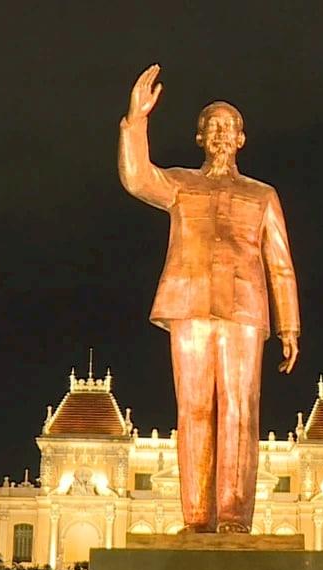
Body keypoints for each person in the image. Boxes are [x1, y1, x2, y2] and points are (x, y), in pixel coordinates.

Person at [118, 64, 301, 533]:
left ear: (241, 139)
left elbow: (280, 263)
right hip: (189, 304)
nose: (221, 133)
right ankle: (198, 518)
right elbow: (137, 178)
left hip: (245, 309)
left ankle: (235, 516)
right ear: (200, 138)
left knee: (241, 410)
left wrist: (289, 326)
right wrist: (136, 120)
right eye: (213, 127)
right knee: (194, 409)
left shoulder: (262, 195)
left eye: (229, 127)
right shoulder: (181, 184)